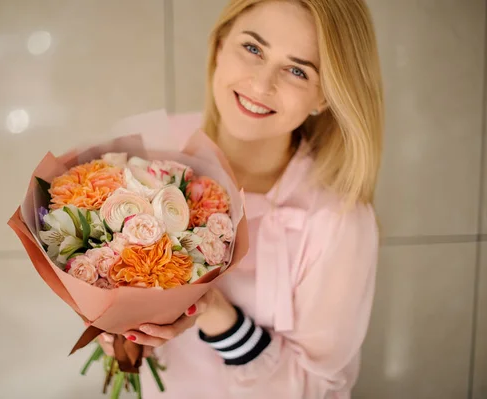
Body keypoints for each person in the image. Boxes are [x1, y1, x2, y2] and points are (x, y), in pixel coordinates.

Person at [99, 0, 383, 397]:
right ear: (219, 46)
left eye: (297, 70)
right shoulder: (146, 154)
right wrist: (113, 327)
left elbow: (318, 388)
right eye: (253, 48)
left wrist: (214, 312)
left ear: (325, 97)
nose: (262, 84)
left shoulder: (338, 222)